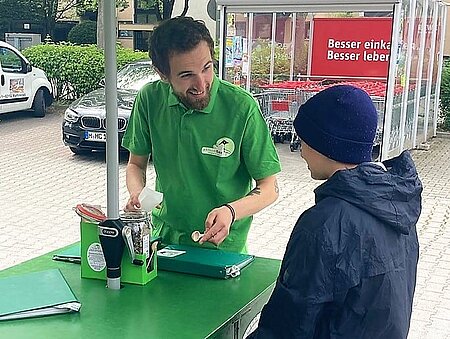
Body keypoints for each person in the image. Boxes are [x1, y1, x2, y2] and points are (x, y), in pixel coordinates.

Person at [248, 85, 422, 338]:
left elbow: (288, 324)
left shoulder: (323, 224)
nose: (302, 152)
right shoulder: (398, 207)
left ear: (325, 145)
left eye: (305, 141)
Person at [122, 16, 281, 253]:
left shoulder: (242, 107)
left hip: (224, 250)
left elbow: (270, 188)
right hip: (163, 240)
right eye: (186, 75)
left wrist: (231, 211)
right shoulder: (149, 99)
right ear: (162, 74)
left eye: (207, 68)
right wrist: (137, 193)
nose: (201, 84)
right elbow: (135, 164)